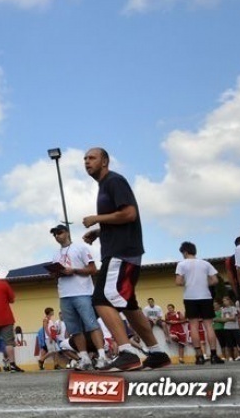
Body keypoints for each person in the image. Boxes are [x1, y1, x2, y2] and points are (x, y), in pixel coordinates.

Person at [80, 147, 171, 371]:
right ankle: (157, 353)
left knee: (101, 299)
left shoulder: (114, 181)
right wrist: (101, 231)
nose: (87, 162)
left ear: (105, 162)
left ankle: (126, 352)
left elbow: (129, 213)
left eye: (92, 158)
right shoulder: (105, 186)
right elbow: (120, 218)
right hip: (124, 251)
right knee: (129, 306)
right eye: (85, 159)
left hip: (121, 253)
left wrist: (96, 219)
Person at [49, 224, 106, 370]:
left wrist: (74, 270)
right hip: (64, 295)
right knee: (74, 329)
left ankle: (102, 356)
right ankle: (84, 358)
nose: (57, 236)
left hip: (83, 293)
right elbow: (57, 275)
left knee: (91, 324)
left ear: (67, 233)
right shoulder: (55, 254)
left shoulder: (81, 248)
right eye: (54, 234)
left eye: (59, 232)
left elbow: (92, 269)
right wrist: (56, 273)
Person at [174, 241, 223, 365]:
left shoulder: (181, 264)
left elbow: (178, 282)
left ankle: (199, 357)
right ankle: (213, 356)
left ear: (185, 252)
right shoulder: (205, 263)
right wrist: (204, 284)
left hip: (190, 298)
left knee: (194, 327)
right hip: (205, 297)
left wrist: (189, 283)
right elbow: (215, 280)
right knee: (209, 326)